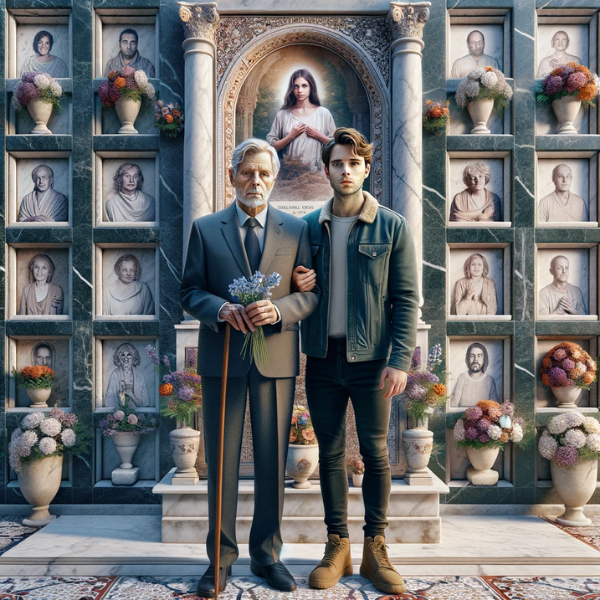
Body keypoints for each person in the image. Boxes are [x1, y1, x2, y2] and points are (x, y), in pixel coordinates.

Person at [180, 138, 318, 597]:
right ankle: (219, 560)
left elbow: (310, 294)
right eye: (246, 172)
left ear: (274, 178)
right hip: (222, 359)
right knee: (219, 463)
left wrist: (279, 311)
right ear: (232, 176)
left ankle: (267, 555)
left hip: (276, 359)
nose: (254, 180)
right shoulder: (205, 227)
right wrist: (220, 309)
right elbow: (190, 291)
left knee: (270, 461)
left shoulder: (297, 229)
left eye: (263, 173)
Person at [292, 128, 418, 595]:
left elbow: (406, 299)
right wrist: (297, 284)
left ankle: (376, 549)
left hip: (373, 360)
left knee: (375, 453)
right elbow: (287, 287)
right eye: (337, 163)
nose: (345, 171)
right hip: (323, 357)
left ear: (367, 168)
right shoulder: (306, 227)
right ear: (326, 169)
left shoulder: (392, 226)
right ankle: (337, 545)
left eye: (353, 163)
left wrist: (399, 359)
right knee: (327, 453)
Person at [267, 68, 336, 171]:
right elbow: (272, 147)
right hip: (289, 175)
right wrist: (291, 136)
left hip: (316, 176)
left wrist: (319, 135)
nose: (300, 90)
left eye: (304, 86)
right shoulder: (282, 114)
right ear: (292, 88)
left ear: (311, 87)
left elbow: (336, 144)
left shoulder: (323, 113)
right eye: (296, 86)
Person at [451, 342, 499, 407]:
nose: (475, 360)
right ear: (467, 358)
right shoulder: (462, 378)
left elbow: (495, 407)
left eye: (479, 356)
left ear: (484, 359)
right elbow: (453, 405)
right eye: (472, 356)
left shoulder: (490, 380)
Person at [104, 343, 150, 407]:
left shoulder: (139, 376)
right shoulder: (115, 374)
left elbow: (145, 402)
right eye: (122, 355)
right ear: (119, 358)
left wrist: (131, 395)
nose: (125, 358)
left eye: (129, 355)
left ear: (134, 358)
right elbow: (109, 400)